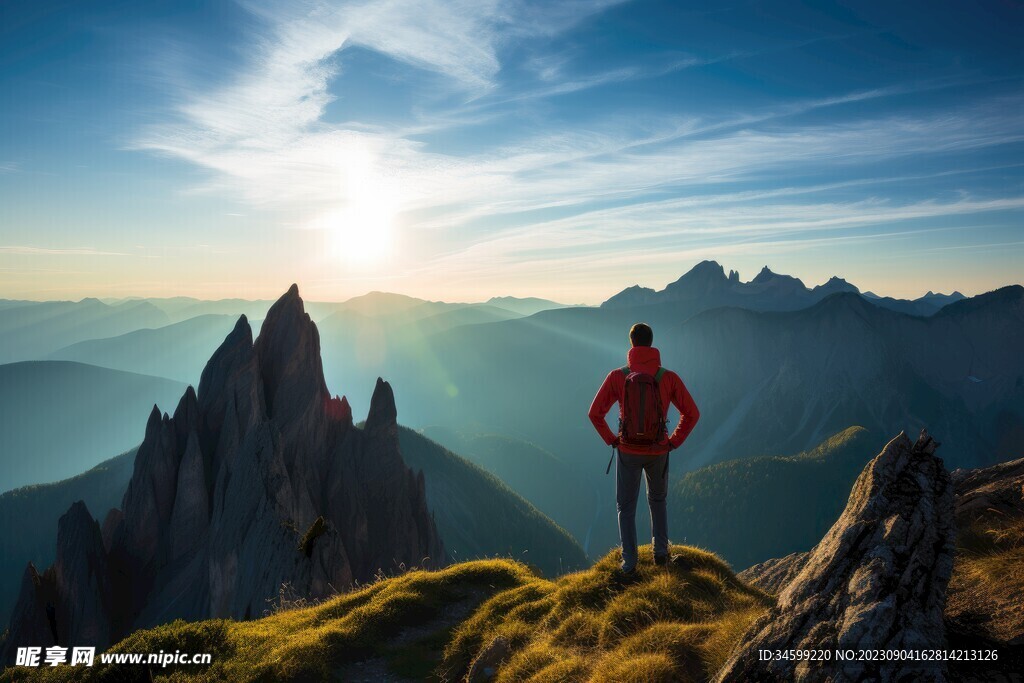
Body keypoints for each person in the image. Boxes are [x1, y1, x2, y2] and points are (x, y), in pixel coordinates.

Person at [588, 322, 700, 573]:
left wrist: (613, 439)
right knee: (658, 500)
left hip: (628, 450)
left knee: (625, 507)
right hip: (658, 449)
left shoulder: (618, 376)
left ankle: (629, 563)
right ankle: (661, 553)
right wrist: (673, 441)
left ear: (631, 344)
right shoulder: (667, 378)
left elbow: (595, 413)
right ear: (652, 344)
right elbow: (692, 413)